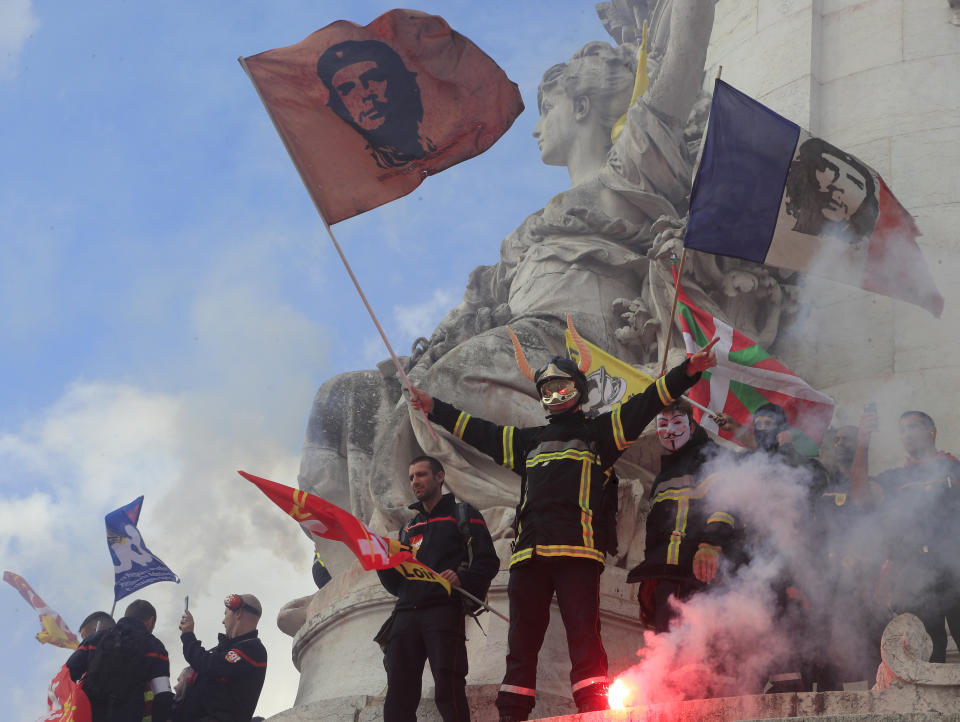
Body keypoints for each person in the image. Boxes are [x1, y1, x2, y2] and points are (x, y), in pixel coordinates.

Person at [409, 336, 717, 719]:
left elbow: (646, 403)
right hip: (529, 556)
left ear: (579, 390)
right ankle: (511, 716)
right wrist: (434, 407)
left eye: (562, 385)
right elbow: (478, 431)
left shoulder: (601, 433)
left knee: (585, 642)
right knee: (520, 645)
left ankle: (593, 713)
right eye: (547, 388)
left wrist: (687, 372)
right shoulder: (527, 441)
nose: (554, 393)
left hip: (578, 554)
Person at [376, 455, 499, 722]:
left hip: (443, 612)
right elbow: (398, 585)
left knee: (448, 686)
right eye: (411, 477)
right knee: (398, 693)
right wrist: (382, 565)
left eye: (420, 475)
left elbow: (488, 562)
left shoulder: (463, 514)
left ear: (439, 477)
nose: (414, 482)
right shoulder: (408, 528)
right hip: (405, 615)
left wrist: (461, 578)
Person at [626, 400, 738, 633]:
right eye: (663, 424)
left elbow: (727, 501)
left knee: (695, 656)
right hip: (666, 577)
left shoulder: (711, 456)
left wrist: (710, 545)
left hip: (699, 575)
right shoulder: (663, 475)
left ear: (693, 427)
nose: (669, 430)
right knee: (665, 652)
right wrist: (651, 579)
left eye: (677, 422)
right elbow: (656, 533)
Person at [874, 410, 960, 663]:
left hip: (954, 569)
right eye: (902, 430)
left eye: (912, 427)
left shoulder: (954, 469)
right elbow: (888, 525)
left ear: (931, 431)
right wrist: (887, 570)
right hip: (916, 575)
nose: (906, 435)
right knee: (928, 650)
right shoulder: (897, 478)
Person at [316, 40, 435, 169]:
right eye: (347, 89)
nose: (364, 94)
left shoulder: (433, 139)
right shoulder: (354, 170)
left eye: (373, 78)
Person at [66, 599, 172, 722]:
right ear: (150, 621)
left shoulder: (96, 638)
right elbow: (163, 696)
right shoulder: (155, 647)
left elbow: (67, 676)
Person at [175, 594, 267, 721]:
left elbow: (210, 665)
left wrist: (188, 635)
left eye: (225, 614)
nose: (223, 621)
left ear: (238, 613)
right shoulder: (230, 648)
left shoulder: (253, 649)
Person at [784, 137, 879, 244]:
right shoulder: (781, 241)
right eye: (827, 168)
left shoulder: (855, 255)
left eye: (855, 182)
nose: (837, 187)